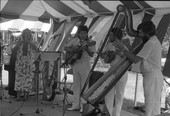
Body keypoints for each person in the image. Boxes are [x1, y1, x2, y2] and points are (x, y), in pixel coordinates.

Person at [116, 20, 164, 116]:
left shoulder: (150, 43)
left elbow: (135, 59)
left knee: (151, 106)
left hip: (152, 77)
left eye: (141, 33)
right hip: (152, 76)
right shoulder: (153, 41)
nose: (140, 35)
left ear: (147, 33)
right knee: (152, 105)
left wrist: (123, 48)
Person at [64, 25, 96, 112]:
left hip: (85, 65)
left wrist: (87, 49)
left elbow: (92, 54)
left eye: (85, 33)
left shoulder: (91, 42)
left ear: (87, 33)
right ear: (78, 33)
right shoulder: (75, 40)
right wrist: (72, 49)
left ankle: (83, 105)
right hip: (75, 64)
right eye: (81, 33)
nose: (83, 35)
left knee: (84, 86)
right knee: (76, 85)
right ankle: (76, 104)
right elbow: (65, 47)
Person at [101, 27, 131, 116]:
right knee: (108, 94)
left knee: (119, 95)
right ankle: (108, 113)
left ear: (116, 35)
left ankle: (117, 114)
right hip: (111, 71)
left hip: (122, 72)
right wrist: (107, 54)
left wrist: (121, 53)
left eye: (111, 35)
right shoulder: (109, 45)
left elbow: (129, 58)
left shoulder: (125, 44)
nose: (109, 36)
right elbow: (103, 56)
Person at [14, 29, 37, 101]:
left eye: (28, 34)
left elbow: (36, 49)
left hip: (29, 63)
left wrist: (30, 43)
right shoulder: (19, 41)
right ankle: (18, 95)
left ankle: (25, 95)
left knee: (28, 78)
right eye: (25, 33)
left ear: (30, 35)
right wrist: (19, 44)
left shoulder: (33, 42)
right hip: (20, 63)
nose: (27, 35)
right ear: (23, 34)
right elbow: (14, 49)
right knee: (19, 79)